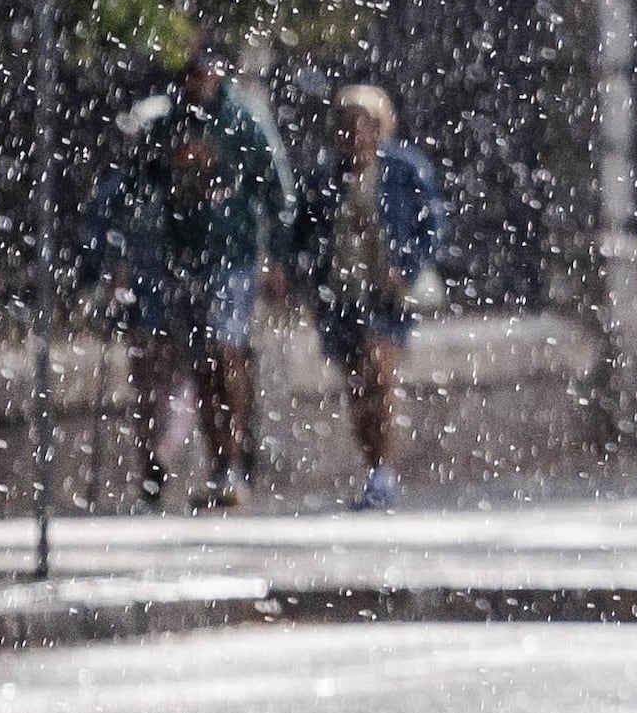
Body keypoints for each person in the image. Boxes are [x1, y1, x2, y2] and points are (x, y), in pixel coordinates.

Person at [127, 37, 293, 509]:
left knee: (228, 351)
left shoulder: (243, 122)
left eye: (207, 73)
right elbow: (143, 181)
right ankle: (221, 459)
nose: (200, 82)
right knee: (202, 360)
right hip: (185, 256)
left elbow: (276, 191)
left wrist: (276, 256)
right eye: (193, 74)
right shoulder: (170, 125)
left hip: (232, 255)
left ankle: (233, 461)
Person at [288, 82, 447, 510]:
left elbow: (431, 225)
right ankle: (372, 464)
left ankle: (384, 469)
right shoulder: (324, 176)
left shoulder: (404, 169)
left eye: (364, 124)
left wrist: (407, 265)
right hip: (341, 293)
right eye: (347, 125)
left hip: (387, 293)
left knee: (381, 372)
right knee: (357, 384)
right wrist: (299, 272)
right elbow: (302, 232)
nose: (356, 134)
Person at [75, 92, 191, 507]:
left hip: (173, 292)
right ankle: (154, 459)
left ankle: (158, 456)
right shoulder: (125, 186)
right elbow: (98, 235)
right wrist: (111, 271)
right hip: (145, 294)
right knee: (155, 382)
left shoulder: (180, 182)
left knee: (164, 382)